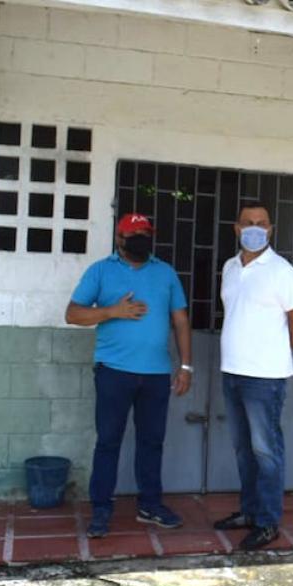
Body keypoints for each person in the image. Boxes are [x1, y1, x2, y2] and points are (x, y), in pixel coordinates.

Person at [65, 213, 193, 538]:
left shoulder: (165, 273)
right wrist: (112, 311)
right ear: (119, 238)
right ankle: (101, 510)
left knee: (152, 443)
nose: (139, 237)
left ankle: (150, 506)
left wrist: (186, 366)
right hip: (113, 373)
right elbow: (73, 314)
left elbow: (180, 321)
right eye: (132, 233)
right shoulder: (101, 270)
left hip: (155, 375)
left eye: (145, 233)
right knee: (108, 442)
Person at [211, 201, 293, 550]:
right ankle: (250, 512)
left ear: (270, 230)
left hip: (264, 378)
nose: (255, 228)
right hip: (232, 371)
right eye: (248, 222)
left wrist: (274, 354)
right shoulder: (230, 267)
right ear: (237, 229)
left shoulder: (282, 272)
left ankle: (268, 522)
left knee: (266, 451)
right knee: (243, 449)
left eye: (262, 223)